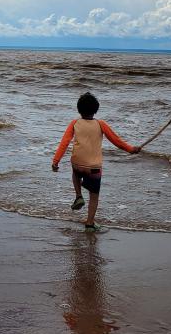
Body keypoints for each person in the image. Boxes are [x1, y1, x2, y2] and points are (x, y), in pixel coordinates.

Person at [51, 92, 140, 232]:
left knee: (75, 173)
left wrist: (56, 161)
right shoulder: (101, 124)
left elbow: (64, 143)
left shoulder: (74, 123)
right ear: (96, 109)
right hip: (93, 168)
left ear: (79, 109)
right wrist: (131, 149)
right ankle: (90, 224)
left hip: (77, 164)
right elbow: (116, 141)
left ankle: (79, 196)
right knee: (94, 195)